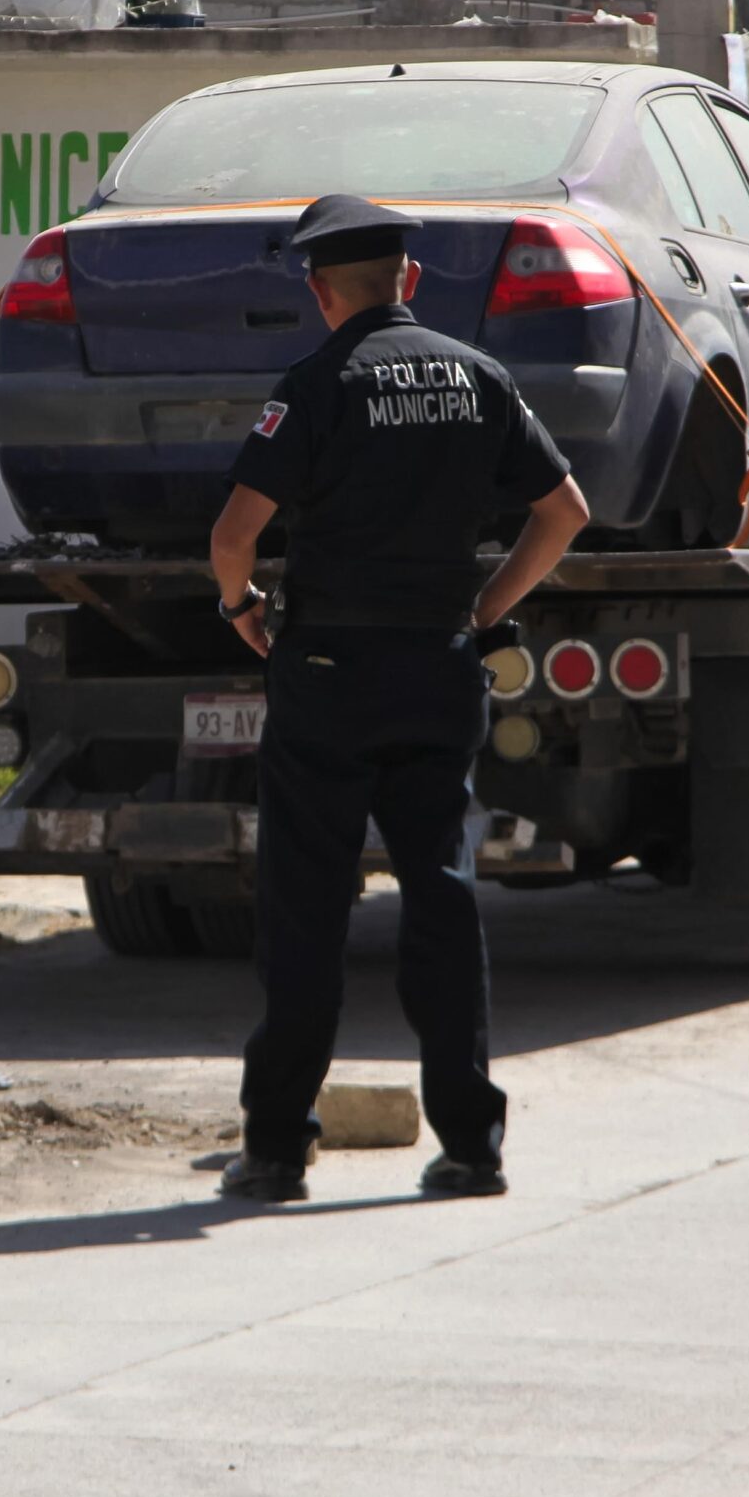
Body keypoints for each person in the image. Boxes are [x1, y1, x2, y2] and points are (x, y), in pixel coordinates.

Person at [207, 194, 590, 1204]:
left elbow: (232, 536)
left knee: (305, 909)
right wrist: (485, 605)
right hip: (437, 666)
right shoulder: (481, 379)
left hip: (328, 675)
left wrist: (240, 608)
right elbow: (564, 512)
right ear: (409, 280)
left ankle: (279, 1148)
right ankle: (471, 1145)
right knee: (443, 897)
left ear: (320, 291)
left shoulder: (317, 382)